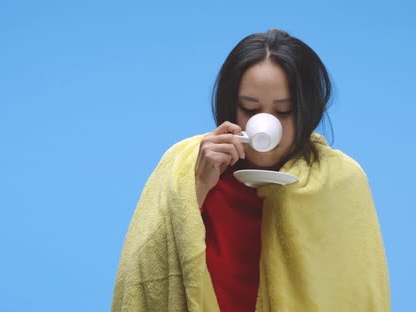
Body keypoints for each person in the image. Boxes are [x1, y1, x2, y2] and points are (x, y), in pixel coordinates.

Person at [112, 29, 390, 311]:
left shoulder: (340, 180)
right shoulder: (185, 165)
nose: (265, 125)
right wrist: (197, 186)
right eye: (250, 109)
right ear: (231, 107)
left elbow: (360, 294)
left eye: (283, 112)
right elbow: (142, 278)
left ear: (307, 112)